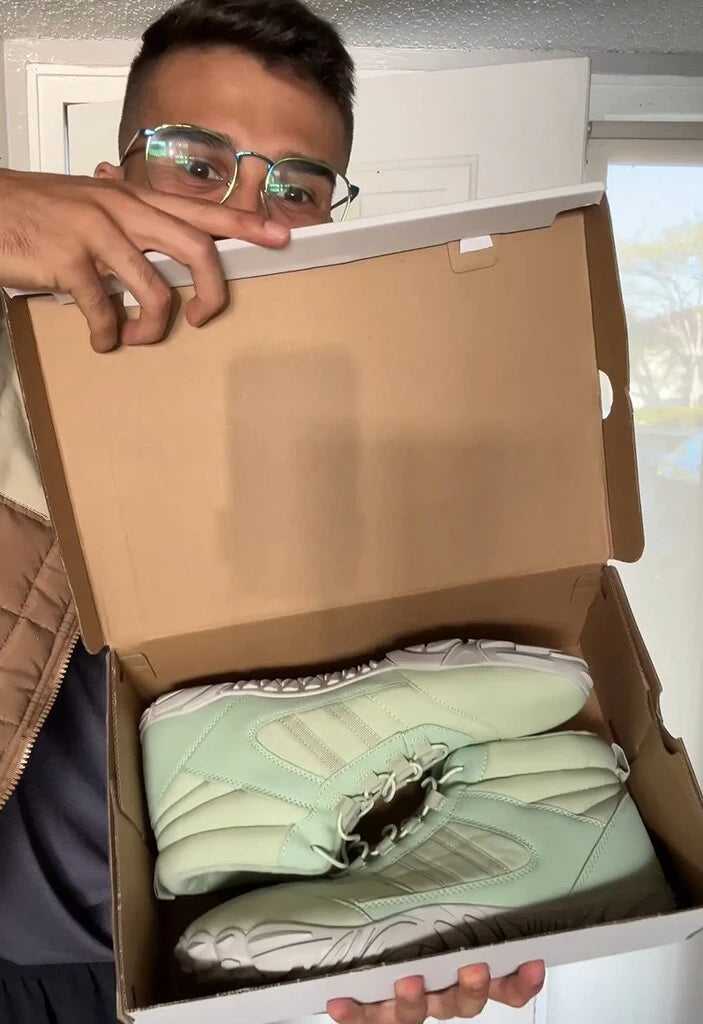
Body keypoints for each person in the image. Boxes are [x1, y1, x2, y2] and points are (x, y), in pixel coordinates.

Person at [0, 2, 546, 1021]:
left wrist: (380, 950)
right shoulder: (8, 351)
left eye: (295, 188)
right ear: (110, 179)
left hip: (201, 977)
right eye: (197, 163)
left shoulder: (388, 445)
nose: (244, 216)